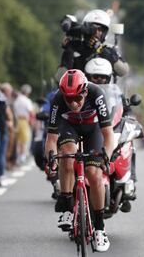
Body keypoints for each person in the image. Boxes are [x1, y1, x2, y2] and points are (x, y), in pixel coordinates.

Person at [44, 69, 114, 252]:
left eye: (78, 98)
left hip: (93, 130)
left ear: (84, 92)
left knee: (94, 174)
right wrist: (51, 158)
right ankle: (67, 207)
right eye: (69, 100)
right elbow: (51, 138)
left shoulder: (97, 93)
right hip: (70, 127)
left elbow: (108, 134)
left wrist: (106, 154)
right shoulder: (58, 99)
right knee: (67, 155)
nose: (74, 103)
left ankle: (100, 228)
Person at [55, 9, 129, 81]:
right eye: (93, 29)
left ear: (105, 32)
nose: (97, 33)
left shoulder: (109, 50)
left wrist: (101, 50)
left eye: (100, 30)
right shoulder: (75, 48)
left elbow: (123, 71)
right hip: (80, 91)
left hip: (105, 91)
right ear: (85, 29)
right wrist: (68, 53)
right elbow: (59, 79)